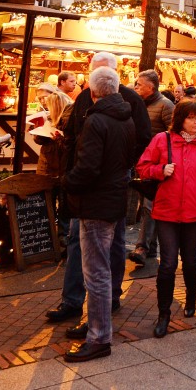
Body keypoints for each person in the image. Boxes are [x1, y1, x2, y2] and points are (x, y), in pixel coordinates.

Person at [44, 52, 146, 331]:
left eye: (103, 74)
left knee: (110, 247)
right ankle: (72, 300)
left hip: (105, 186)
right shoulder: (83, 100)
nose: (97, 80)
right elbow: (76, 135)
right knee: (78, 242)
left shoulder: (129, 103)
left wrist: (118, 168)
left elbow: (139, 139)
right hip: (86, 184)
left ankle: (106, 304)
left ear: (114, 76)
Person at [62, 67, 136, 362]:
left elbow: (88, 168)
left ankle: (99, 336)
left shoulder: (97, 120)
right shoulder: (126, 117)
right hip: (114, 198)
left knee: (96, 272)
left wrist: (67, 181)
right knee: (102, 268)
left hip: (95, 203)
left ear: (92, 92)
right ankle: (97, 327)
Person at [135, 99, 196, 338]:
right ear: (180, 118)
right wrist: (160, 171)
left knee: (191, 262)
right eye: (191, 117)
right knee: (168, 263)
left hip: (195, 213)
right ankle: (164, 314)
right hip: (167, 212)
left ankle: (191, 298)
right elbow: (142, 167)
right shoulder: (163, 139)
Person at [130, 69, 174, 267]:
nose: (135, 86)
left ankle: (142, 247)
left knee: (149, 206)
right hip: (140, 162)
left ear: (152, 86)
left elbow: (173, 135)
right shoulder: (137, 103)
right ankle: (150, 247)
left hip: (156, 165)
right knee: (146, 206)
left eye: (139, 83)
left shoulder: (165, 105)